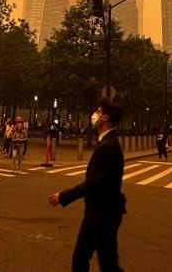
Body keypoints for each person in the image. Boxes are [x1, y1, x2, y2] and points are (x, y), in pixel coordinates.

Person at [49, 99, 126, 272]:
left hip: (101, 215)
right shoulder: (108, 142)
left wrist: (63, 196)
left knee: (84, 259)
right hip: (105, 213)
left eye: (98, 111)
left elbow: (93, 184)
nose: (94, 114)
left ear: (105, 117)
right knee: (105, 263)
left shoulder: (108, 146)